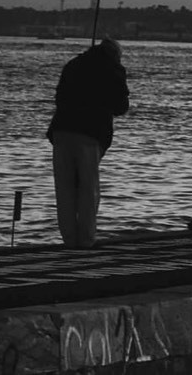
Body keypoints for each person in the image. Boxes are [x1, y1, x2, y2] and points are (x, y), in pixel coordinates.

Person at [46, 37, 129, 248]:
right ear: (115, 55)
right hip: (90, 134)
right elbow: (121, 106)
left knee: (64, 188)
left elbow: (60, 97)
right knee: (88, 188)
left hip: (62, 131)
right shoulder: (113, 70)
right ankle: (86, 239)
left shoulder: (73, 65)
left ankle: (69, 238)